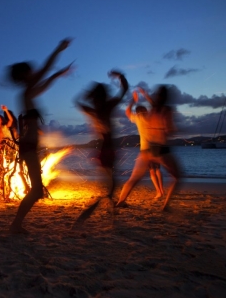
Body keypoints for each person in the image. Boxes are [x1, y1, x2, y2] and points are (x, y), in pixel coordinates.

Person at [7, 38, 73, 234]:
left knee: (37, 190)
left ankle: (16, 224)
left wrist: (58, 75)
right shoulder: (27, 92)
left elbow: (45, 83)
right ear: (24, 75)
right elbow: (45, 69)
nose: (34, 72)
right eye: (30, 71)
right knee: (36, 190)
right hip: (28, 146)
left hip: (30, 146)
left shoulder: (28, 93)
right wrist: (58, 50)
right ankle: (16, 225)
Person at [73, 70, 128, 226]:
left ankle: (109, 204)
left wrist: (87, 93)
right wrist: (121, 76)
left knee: (110, 182)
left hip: (100, 149)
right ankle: (102, 204)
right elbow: (124, 90)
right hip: (108, 148)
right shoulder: (108, 106)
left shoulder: (93, 110)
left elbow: (77, 102)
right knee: (111, 183)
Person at [116, 85, 181, 211]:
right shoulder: (163, 110)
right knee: (176, 176)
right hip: (160, 149)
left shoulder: (141, 116)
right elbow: (169, 129)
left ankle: (121, 201)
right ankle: (165, 205)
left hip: (146, 150)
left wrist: (135, 99)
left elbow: (129, 111)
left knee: (134, 178)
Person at [125, 97, 165, 199]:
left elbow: (127, 111)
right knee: (157, 169)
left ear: (137, 112)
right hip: (157, 145)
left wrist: (133, 100)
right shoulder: (151, 117)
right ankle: (162, 190)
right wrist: (146, 95)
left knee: (151, 171)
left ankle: (159, 191)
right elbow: (155, 107)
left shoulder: (138, 118)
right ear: (146, 110)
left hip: (146, 147)